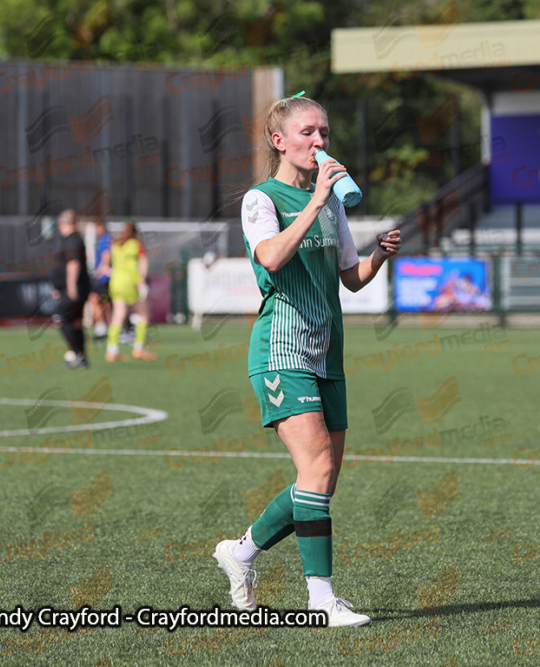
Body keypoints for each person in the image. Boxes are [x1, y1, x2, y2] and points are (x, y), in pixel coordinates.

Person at [212, 94, 401, 628]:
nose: (320, 143)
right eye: (308, 133)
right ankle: (321, 601)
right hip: (281, 350)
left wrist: (379, 256)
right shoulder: (260, 199)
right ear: (280, 141)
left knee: (322, 480)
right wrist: (316, 201)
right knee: (316, 470)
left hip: (328, 353)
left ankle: (242, 552)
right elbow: (269, 257)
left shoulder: (334, 203)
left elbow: (351, 278)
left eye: (324, 133)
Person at [105, 221, 157, 362]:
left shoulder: (115, 245)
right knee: (144, 314)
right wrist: (141, 283)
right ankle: (139, 348)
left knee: (118, 316)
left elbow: (105, 265)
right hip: (131, 282)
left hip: (115, 282)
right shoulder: (136, 245)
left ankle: (112, 350)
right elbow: (142, 266)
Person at [49, 210, 91, 370]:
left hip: (74, 289)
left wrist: (71, 286)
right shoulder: (68, 240)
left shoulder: (73, 240)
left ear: (63, 222)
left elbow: (74, 263)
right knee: (74, 322)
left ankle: (77, 353)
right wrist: (59, 287)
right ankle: (80, 356)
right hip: (67, 288)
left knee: (62, 316)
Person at [88, 219, 113, 339]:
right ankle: (111, 329)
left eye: (98, 227)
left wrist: (99, 272)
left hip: (105, 278)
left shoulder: (106, 240)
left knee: (93, 298)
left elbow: (106, 256)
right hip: (104, 278)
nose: (96, 230)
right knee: (105, 303)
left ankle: (101, 329)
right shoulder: (102, 240)